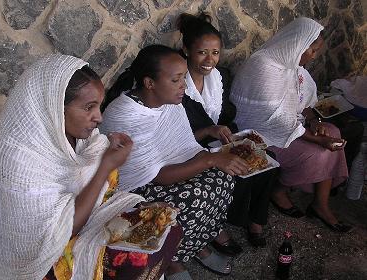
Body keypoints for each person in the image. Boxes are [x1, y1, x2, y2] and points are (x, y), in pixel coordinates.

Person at [0, 54, 182, 280]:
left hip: (84, 219)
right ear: (55, 108)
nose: (98, 117)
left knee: (166, 225)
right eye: (89, 107)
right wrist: (104, 168)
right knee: (135, 262)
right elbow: (62, 232)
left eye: (99, 105)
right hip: (37, 259)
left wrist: (107, 151)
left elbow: (96, 172)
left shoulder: (79, 136)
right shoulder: (21, 163)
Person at [100, 45, 249, 280]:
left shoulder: (167, 101)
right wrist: (210, 159)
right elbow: (158, 175)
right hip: (137, 186)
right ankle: (172, 261)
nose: (184, 86)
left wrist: (209, 134)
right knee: (196, 194)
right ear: (150, 83)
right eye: (177, 80)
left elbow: (179, 143)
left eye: (184, 78)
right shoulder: (125, 115)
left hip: (166, 169)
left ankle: (197, 243)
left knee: (223, 177)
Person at [230, 17, 352, 233]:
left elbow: (302, 102)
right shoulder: (263, 66)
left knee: (333, 131)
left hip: (289, 126)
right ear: (298, 45)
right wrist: (317, 138)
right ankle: (279, 190)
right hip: (262, 134)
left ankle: (320, 205)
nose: (314, 56)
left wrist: (314, 122)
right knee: (320, 151)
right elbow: (274, 119)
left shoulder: (293, 65)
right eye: (312, 50)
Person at [177, 12, 277, 248]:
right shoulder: (177, 84)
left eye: (215, 53)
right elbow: (176, 133)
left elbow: (223, 116)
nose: (209, 59)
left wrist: (230, 134)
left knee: (268, 160)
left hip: (214, 141)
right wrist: (210, 132)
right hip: (188, 147)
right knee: (236, 169)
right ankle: (216, 225)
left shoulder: (219, 77)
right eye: (202, 52)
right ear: (186, 50)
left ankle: (255, 220)